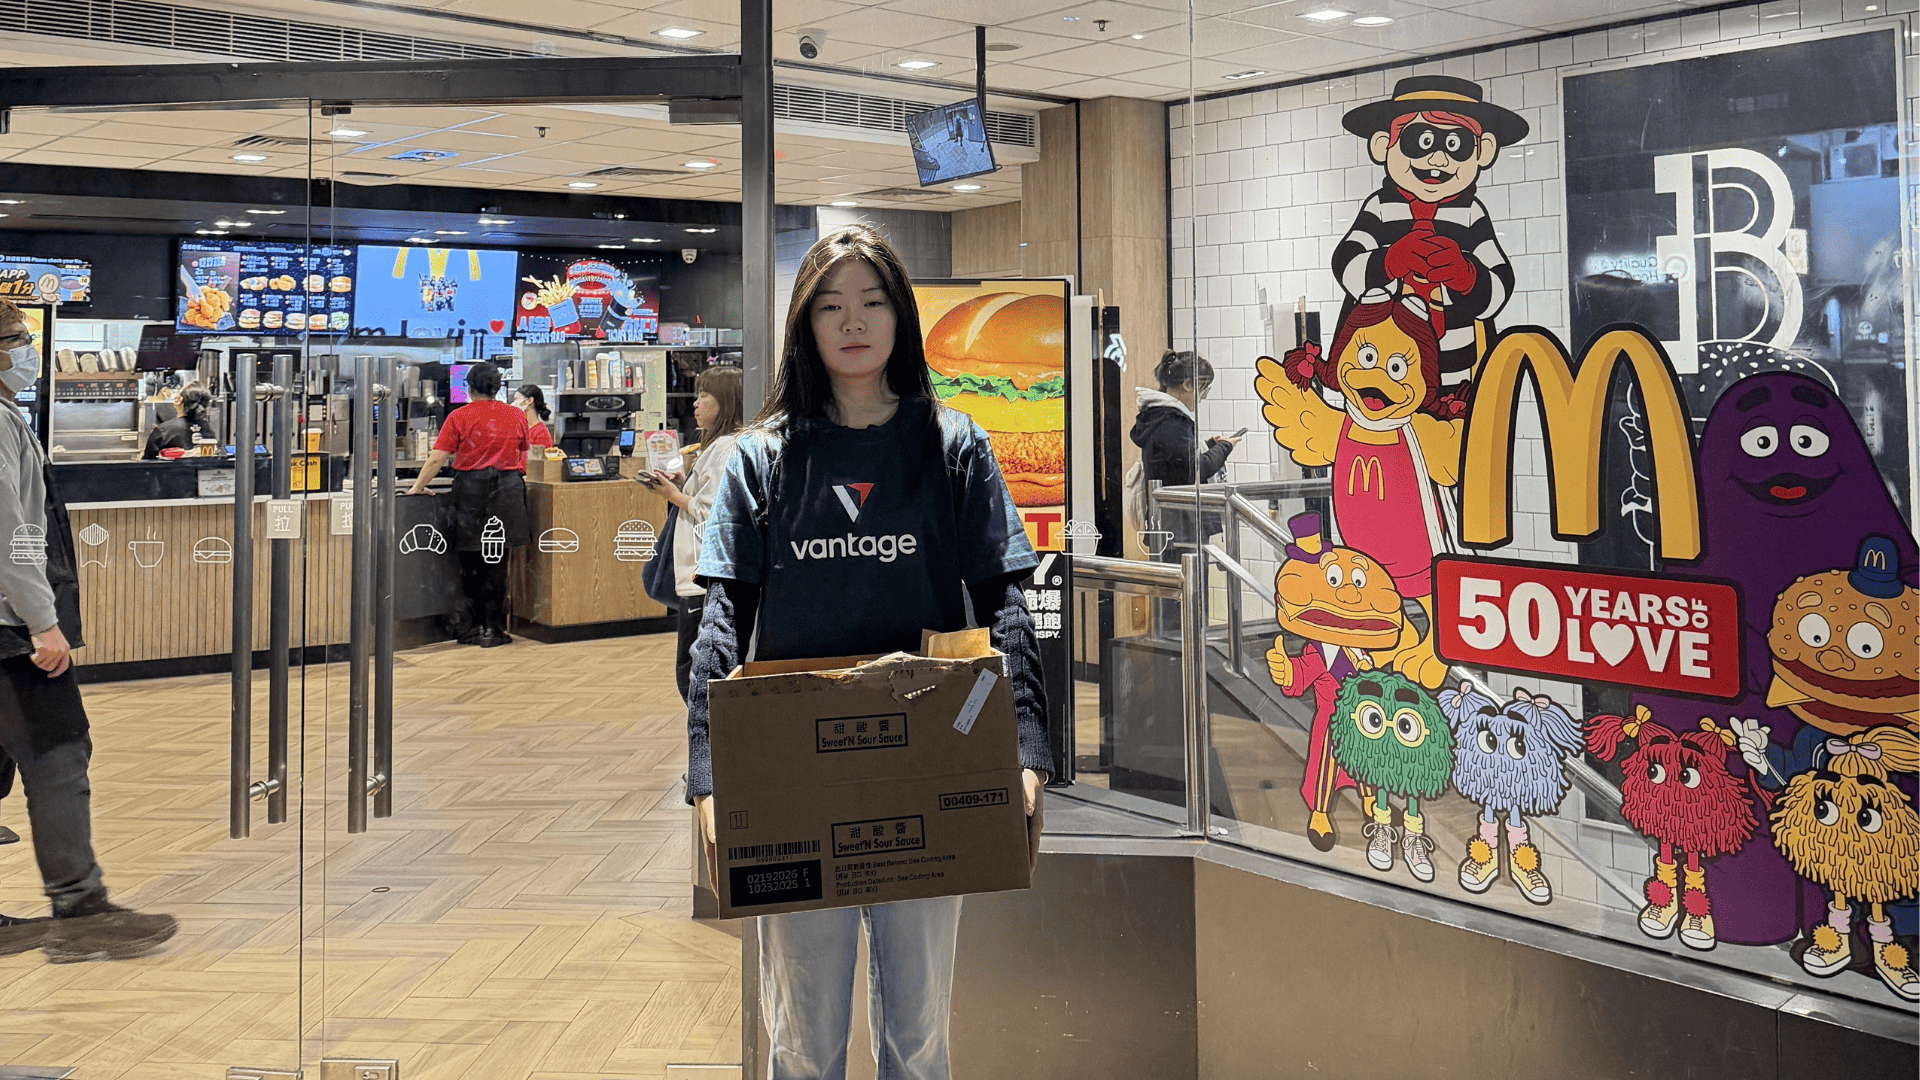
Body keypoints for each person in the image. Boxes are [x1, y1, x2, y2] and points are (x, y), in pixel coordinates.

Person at [685, 225, 1051, 1080]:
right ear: (804, 325)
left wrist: (1026, 750)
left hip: (930, 767)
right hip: (790, 777)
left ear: (901, 316)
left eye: (873, 302)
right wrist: (707, 774)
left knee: (919, 1041)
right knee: (803, 1042)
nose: (853, 322)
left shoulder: (953, 447)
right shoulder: (761, 459)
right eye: (830, 307)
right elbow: (721, 625)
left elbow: (1008, 605)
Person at [0, 299, 177, 962]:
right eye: (16, 340)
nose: (26, 352)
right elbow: (11, 536)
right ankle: (79, 909)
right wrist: (42, 623)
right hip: (9, 630)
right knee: (59, 754)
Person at [406, 362, 531, 648]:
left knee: (470, 561)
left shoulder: (460, 416)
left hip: (472, 492)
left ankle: (472, 628)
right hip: (507, 490)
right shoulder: (516, 415)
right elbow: (523, 451)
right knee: (497, 560)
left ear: (469, 387)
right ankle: (494, 629)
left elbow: (438, 457)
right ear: (497, 388)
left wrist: (418, 486)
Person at [646, 365, 743, 702]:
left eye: (704, 395)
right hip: (705, 576)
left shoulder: (725, 447)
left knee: (694, 676)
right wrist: (680, 487)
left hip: (704, 577)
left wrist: (673, 495)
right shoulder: (722, 445)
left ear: (726, 401)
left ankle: (709, 736)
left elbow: (713, 510)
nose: (695, 404)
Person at [141, 382, 215, 460]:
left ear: (179, 400)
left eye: (178, 391)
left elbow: (147, 463)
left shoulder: (162, 431)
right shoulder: (208, 429)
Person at [511, 383, 555, 449]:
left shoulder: (541, 433)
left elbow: (540, 454)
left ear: (529, 401)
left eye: (516, 399)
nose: (513, 403)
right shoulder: (519, 428)